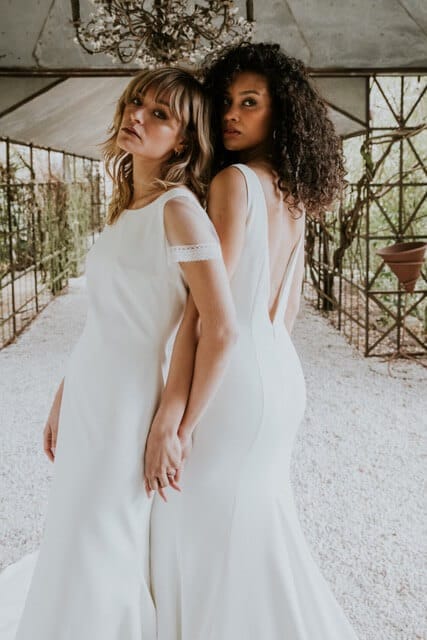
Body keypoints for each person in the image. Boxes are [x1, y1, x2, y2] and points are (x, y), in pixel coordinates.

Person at [4, 67, 237, 640]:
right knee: (72, 528)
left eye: (160, 114)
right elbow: (104, 320)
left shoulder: (179, 210)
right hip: (91, 391)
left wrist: (178, 427)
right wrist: (63, 394)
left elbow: (221, 327)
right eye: (137, 102)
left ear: (182, 140)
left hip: (129, 404)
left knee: (103, 535)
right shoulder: (126, 206)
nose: (137, 115)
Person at [149, 43, 359, 639]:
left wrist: (176, 421)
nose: (230, 115)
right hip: (279, 373)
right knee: (255, 522)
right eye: (225, 102)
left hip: (232, 379)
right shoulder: (294, 194)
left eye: (250, 103)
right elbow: (284, 311)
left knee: (196, 521)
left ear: (280, 111)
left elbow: (205, 316)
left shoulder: (233, 181)